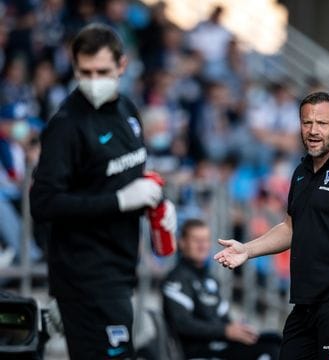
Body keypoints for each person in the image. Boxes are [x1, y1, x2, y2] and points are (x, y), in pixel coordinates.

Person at [30, 23, 176, 359]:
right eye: (86, 72)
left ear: (122, 66)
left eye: (103, 71)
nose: (94, 81)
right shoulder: (67, 125)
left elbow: (131, 172)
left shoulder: (128, 111)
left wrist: (157, 202)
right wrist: (120, 201)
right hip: (85, 274)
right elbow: (44, 202)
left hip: (121, 267)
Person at [214, 91, 329, 359]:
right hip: (305, 302)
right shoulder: (301, 172)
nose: (313, 130)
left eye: (322, 123)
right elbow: (290, 227)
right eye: (307, 123)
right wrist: (247, 250)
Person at [162, 218, 280, 360]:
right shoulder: (176, 279)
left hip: (221, 344)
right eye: (196, 240)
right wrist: (225, 331)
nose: (202, 245)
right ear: (182, 243)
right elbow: (183, 324)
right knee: (270, 350)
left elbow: (224, 320)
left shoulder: (210, 279)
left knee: (274, 339)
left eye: (205, 240)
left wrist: (238, 329)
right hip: (199, 351)